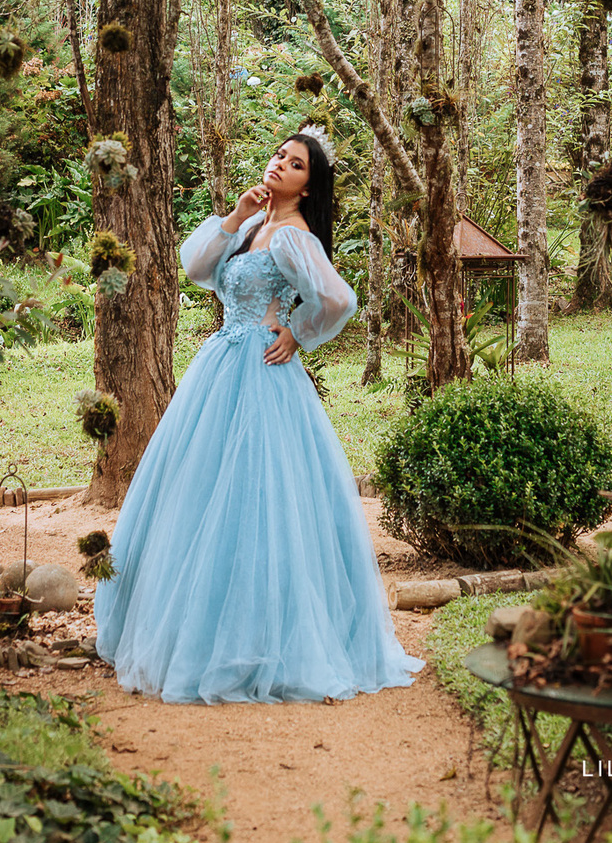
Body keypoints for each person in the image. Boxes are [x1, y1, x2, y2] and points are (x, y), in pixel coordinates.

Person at [93, 123, 424, 704]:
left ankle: (262, 643)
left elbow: (339, 299)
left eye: (296, 164)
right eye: (279, 155)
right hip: (220, 365)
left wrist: (297, 333)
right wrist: (235, 214)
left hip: (262, 374)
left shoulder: (295, 236)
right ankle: (194, 630)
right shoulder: (252, 224)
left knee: (259, 499)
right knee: (199, 495)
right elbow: (196, 268)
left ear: (308, 185)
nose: (281, 165)